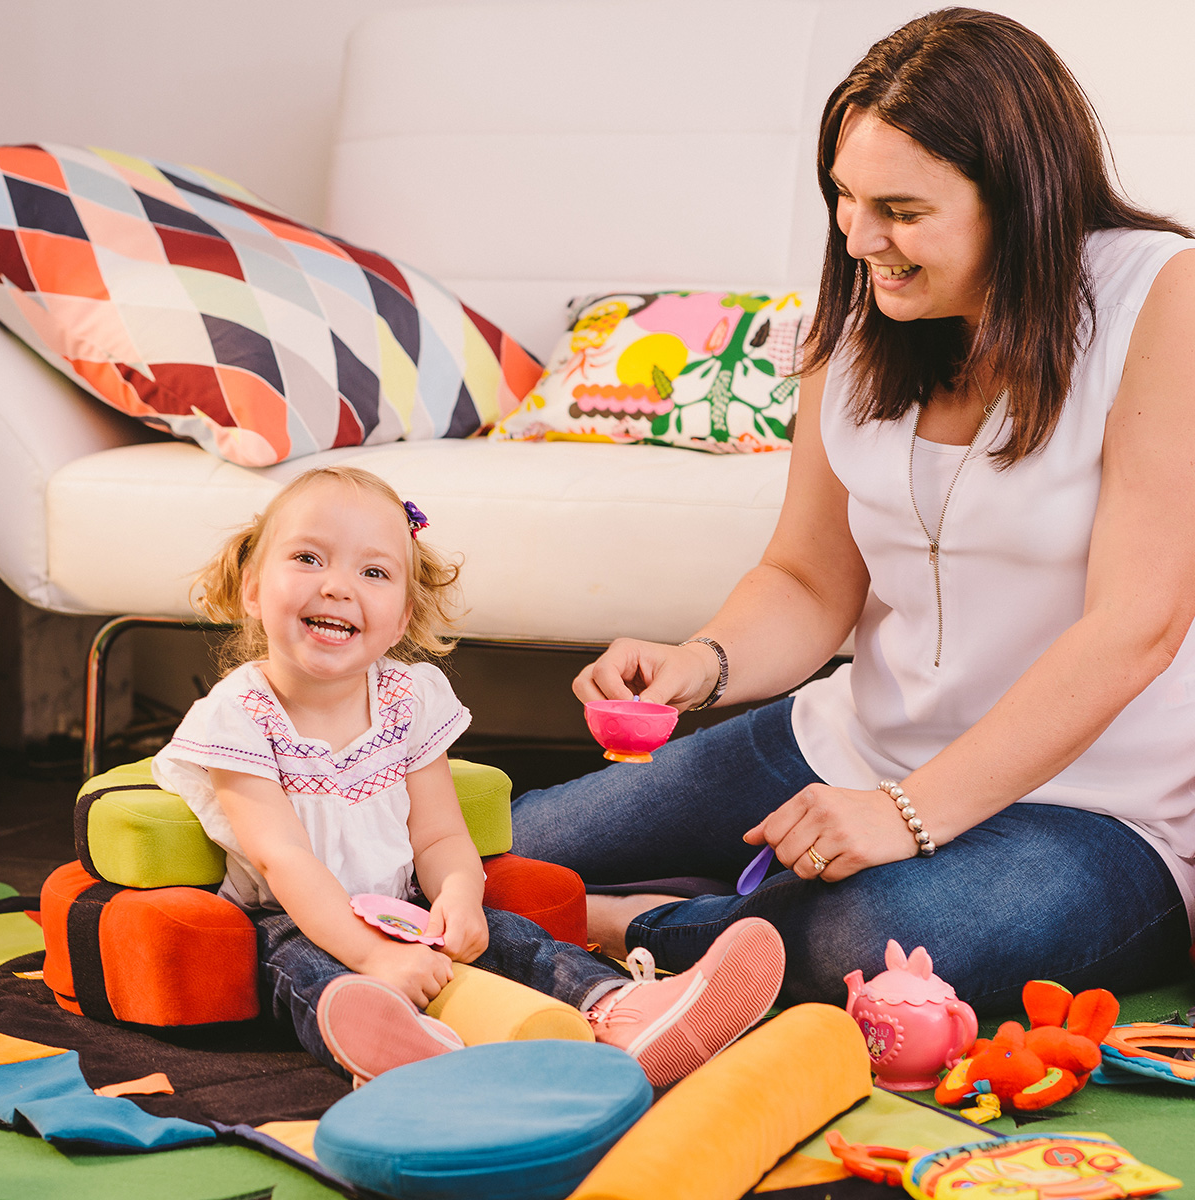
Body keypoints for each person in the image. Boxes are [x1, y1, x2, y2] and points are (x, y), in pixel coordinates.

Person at [510, 7, 1195, 1016]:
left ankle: (631, 930)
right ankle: (673, 929)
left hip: (1097, 811)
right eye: (845, 195)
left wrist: (905, 814)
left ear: (1020, 200)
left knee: (863, 946)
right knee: (504, 847)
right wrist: (700, 665)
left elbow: (1139, 624)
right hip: (853, 747)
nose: (859, 237)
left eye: (901, 210)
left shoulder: (1160, 298)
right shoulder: (867, 315)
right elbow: (808, 579)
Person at [152, 466, 784, 1088]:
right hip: (288, 913)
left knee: (509, 935)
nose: (338, 587)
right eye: (308, 559)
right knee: (305, 968)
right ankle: (398, 1046)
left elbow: (437, 834)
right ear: (252, 589)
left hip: (401, 908)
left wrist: (456, 895)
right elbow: (284, 857)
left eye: (373, 572)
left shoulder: (408, 699)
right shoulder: (238, 716)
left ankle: (625, 1009)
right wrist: (371, 956)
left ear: (402, 617)